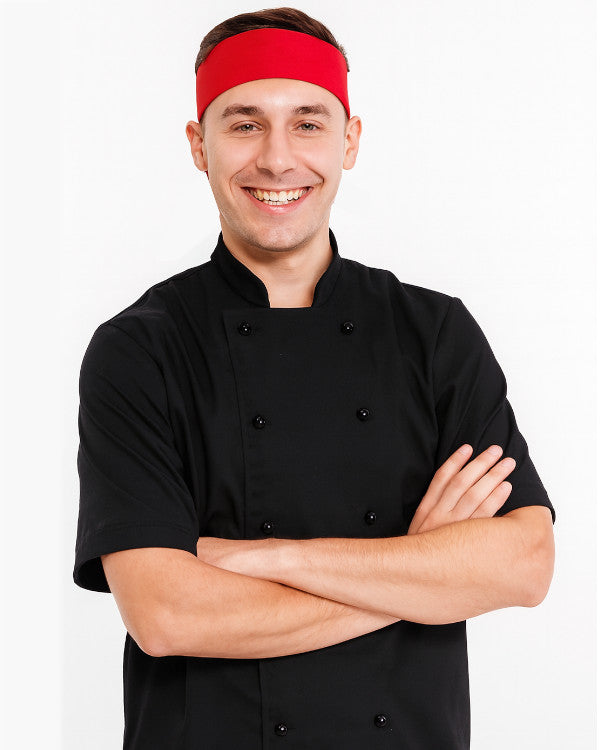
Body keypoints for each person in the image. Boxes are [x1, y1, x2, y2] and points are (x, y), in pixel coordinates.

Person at [73, 7, 556, 749]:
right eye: (244, 124)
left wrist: (268, 558)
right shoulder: (140, 350)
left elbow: (523, 564)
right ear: (199, 145)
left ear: (349, 140)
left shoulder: (435, 334)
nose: (277, 160)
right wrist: (420, 572)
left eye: (307, 123)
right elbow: (168, 616)